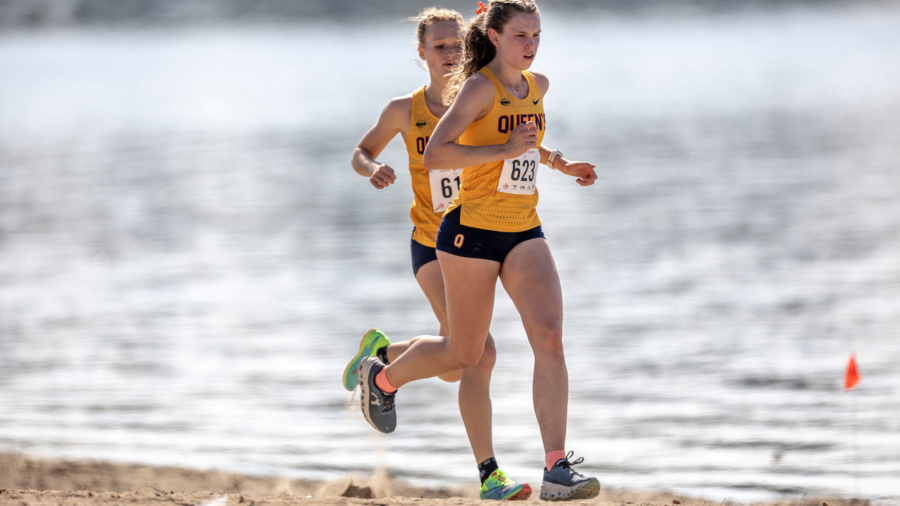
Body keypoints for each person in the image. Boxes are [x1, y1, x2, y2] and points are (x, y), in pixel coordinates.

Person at [357, 0, 601, 501]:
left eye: (537, 36)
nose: (531, 45)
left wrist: (561, 162)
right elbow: (436, 153)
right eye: (521, 36)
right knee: (467, 354)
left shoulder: (538, 86)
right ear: (494, 37)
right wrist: (502, 153)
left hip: (524, 227)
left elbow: (526, 143)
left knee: (550, 337)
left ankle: (557, 467)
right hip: (469, 233)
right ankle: (383, 379)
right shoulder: (475, 89)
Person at [344, 8, 528, 501]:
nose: (450, 54)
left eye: (456, 45)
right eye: (440, 47)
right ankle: (490, 474)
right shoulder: (403, 110)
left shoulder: (479, 96)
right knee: (479, 354)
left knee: (452, 363)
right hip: (432, 243)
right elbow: (360, 151)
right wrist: (374, 167)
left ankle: (380, 359)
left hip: (478, 239)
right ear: (421, 54)